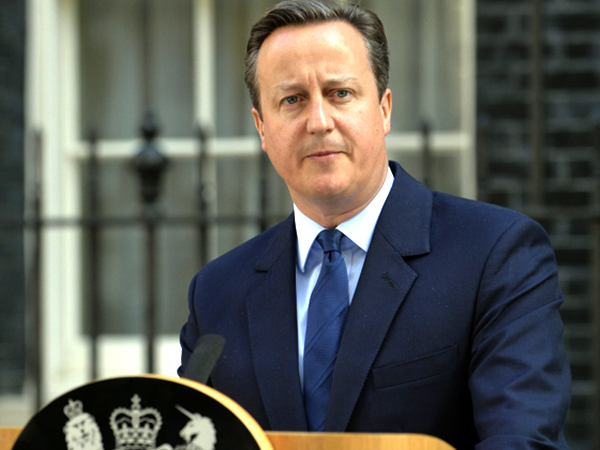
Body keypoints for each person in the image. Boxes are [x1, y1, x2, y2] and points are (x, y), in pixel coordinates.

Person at [178, 1, 571, 448]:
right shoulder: (216, 293)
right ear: (262, 128)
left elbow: (523, 440)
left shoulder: (496, 256)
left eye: (340, 93)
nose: (319, 121)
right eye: (292, 100)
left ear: (384, 109)